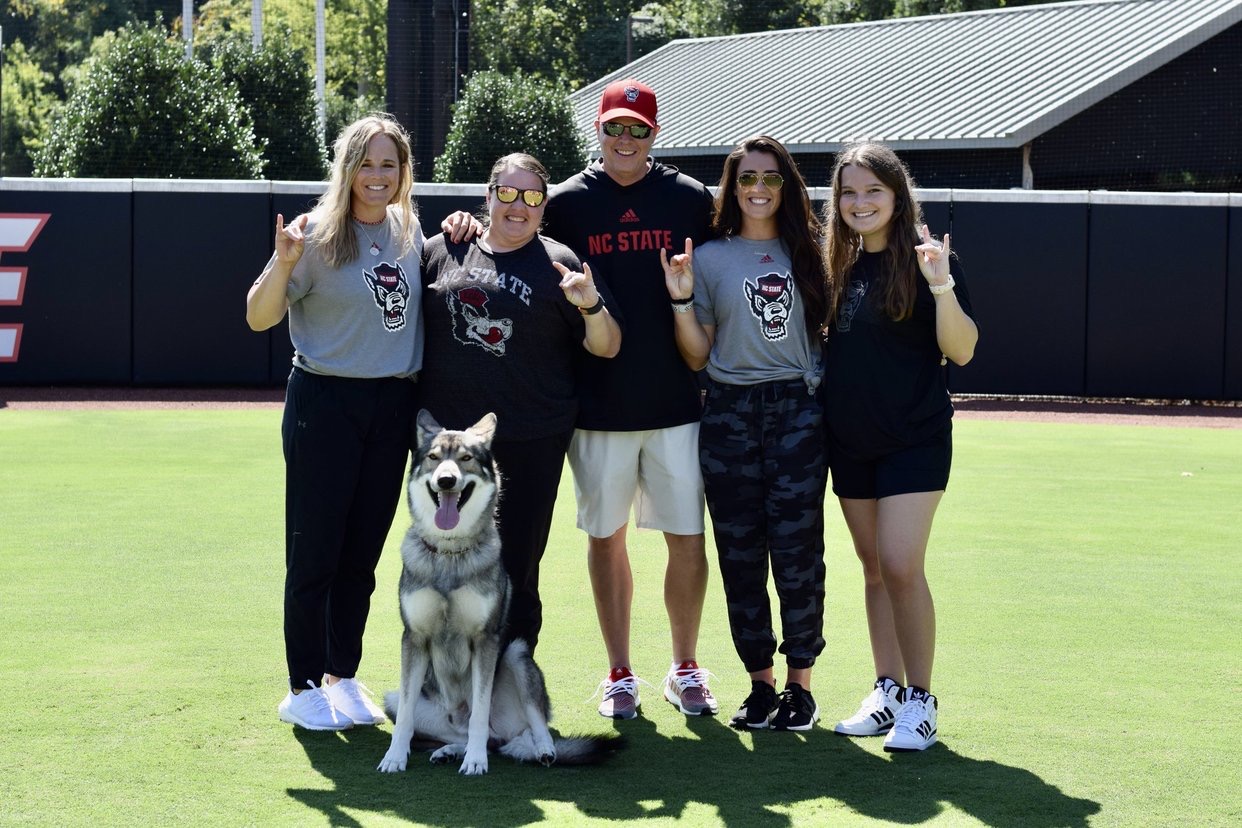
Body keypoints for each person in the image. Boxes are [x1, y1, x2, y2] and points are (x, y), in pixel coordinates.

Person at [442, 79, 718, 720]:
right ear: (598, 129)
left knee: (686, 537)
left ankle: (684, 666)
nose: (625, 139)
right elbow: (510, 230)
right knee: (605, 538)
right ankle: (620, 671)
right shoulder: (564, 201)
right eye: (614, 127)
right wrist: (466, 221)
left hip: (676, 397)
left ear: (655, 134)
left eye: (638, 129)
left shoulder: (689, 198)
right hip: (593, 409)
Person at [246, 114, 424, 731]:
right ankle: (300, 686)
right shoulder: (314, 235)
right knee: (315, 552)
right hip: (325, 404)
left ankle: (341, 676)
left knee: (361, 557)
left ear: (403, 172)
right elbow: (258, 317)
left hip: (391, 406)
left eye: (389, 165)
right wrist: (281, 261)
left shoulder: (406, 226)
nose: (377, 177)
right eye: (367, 164)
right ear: (346, 168)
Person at [417, 152, 621, 651]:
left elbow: (607, 344)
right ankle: (443, 694)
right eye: (507, 193)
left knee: (515, 571)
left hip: (529, 441)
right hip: (449, 449)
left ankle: (510, 690)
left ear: (543, 205)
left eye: (532, 197)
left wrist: (590, 304)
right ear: (488, 197)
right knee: (439, 567)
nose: (518, 206)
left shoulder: (561, 263)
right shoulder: (443, 248)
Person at [661, 135, 830, 731]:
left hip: (797, 412)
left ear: (787, 186)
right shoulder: (707, 257)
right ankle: (760, 684)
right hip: (729, 413)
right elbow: (696, 355)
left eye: (770, 178)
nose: (758, 188)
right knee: (739, 553)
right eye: (747, 179)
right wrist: (681, 301)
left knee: (798, 551)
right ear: (732, 188)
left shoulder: (813, 251)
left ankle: (799, 686)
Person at [821, 142, 978, 751]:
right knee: (874, 568)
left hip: (913, 439)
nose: (860, 203)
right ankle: (885, 691)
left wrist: (941, 285)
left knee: (902, 565)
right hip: (850, 441)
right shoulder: (837, 263)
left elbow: (962, 351)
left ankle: (921, 701)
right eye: (849, 193)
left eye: (873, 192)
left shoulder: (928, 259)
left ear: (897, 196)